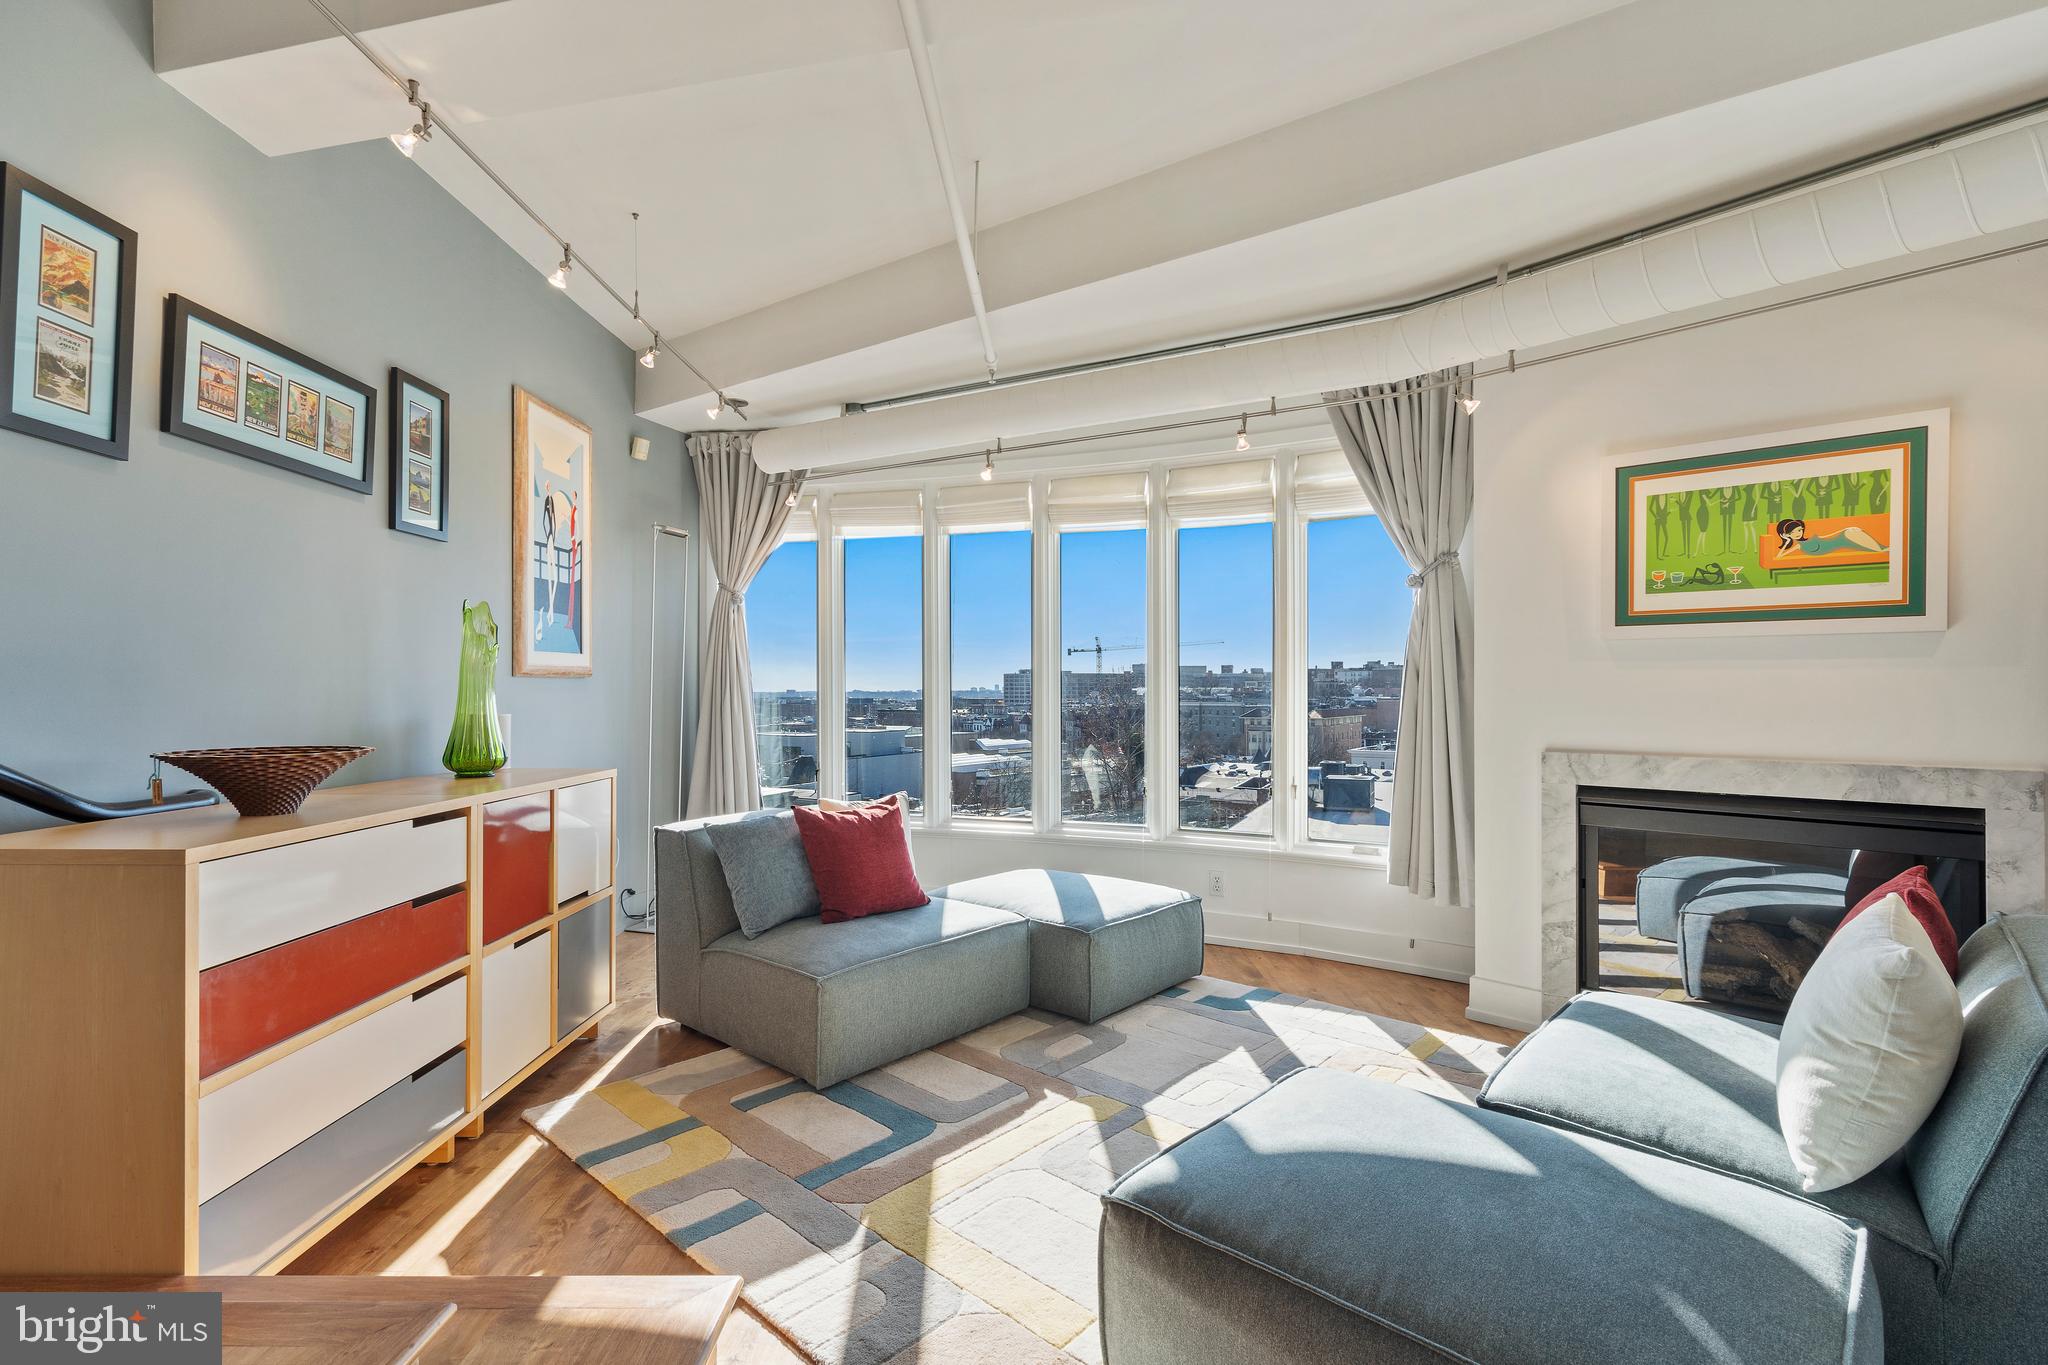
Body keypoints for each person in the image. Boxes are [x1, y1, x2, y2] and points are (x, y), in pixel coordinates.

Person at [1775, 518, 1885, 556]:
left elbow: (1828, 536)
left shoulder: (1811, 538)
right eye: (1794, 532)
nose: (1799, 533)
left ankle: (1880, 548)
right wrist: (1786, 541)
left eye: (1800, 530)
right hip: (1840, 543)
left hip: (1839, 541)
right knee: (1852, 535)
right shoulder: (1799, 546)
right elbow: (1779, 556)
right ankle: (1880, 549)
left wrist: (1846, 529)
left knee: (1850, 532)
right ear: (1788, 534)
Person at [537, 480, 557, 642]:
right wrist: (548, 538)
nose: (548, 487)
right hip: (549, 540)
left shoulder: (551, 501)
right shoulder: (547, 501)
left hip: (551, 541)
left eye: (549, 486)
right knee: (552, 578)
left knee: (554, 578)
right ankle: (549, 611)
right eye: (547, 486)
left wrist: (552, 539)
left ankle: (550, 610)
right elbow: (547, 522)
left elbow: (552, 521)